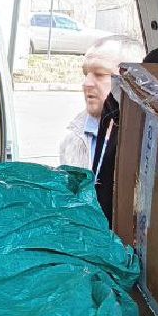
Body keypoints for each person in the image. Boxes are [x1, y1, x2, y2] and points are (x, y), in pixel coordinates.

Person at [59, 35, 145, 214]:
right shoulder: (73, 138)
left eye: (100, 74)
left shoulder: (149, 145)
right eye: (86, 74)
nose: (87, 83)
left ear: (133, 81)